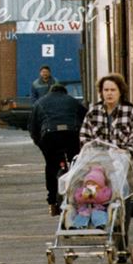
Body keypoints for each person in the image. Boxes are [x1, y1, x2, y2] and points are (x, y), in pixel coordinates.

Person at [79, 73, 133, 260]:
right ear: (101, 92)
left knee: (122, 203)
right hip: (100, 168)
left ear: (120, 92)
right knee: (100, 200)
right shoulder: (93, 113)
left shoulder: (131, 112)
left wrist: (125, 151)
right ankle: (103, 235)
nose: (109, 94)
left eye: (113, 90)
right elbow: (85, 137)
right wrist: (94, 154)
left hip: (124, 168)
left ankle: (121, 242)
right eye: (106, 90)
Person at [28, 83, 87, 216]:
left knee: (51, 165)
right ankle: (79, 197)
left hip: (50, 136)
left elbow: (32, 126)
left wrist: (40, 144)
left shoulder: (40, 102)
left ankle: (52, 202)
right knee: (76, 163)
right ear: (65, 92)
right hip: (72, 134)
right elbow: (86, 120)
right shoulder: (73, 101)